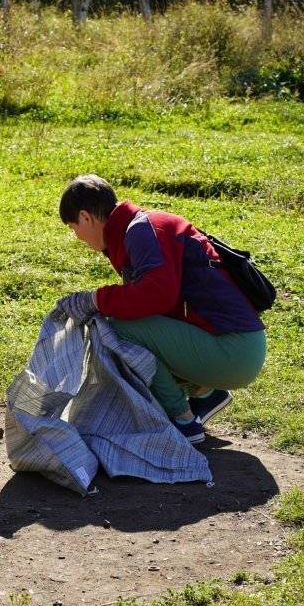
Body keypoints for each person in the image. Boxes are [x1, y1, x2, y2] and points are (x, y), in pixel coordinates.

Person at [56, 174, 267, 444]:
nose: (78, 238)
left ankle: (183, 421)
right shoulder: (135, 230)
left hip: (234, 350)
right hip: (237, 347)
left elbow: (157, 297)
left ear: (85, 217)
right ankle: (205, 394)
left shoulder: (142, 231)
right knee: (127, 325)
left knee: (117, 327)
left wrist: (95, 299)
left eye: (73, 228)